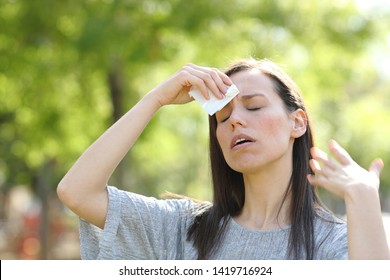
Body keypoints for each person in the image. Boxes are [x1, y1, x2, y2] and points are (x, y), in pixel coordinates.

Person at [57, 58, 390, 260]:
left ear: (297, 122)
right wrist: (156, 99)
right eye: (222, 115)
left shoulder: (335, 243)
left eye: (254, 106)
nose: (234, 120)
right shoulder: (183, 228)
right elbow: (77, 192)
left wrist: (363, 197)